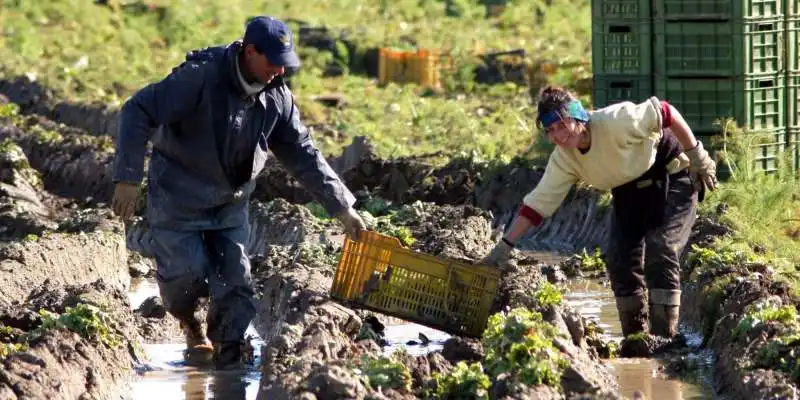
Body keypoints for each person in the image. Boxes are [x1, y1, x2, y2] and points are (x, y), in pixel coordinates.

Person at [110, 16, 366, 369]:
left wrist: (342, 207)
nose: (279, 70)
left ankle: (228, 357)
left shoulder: (277, 96)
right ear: (250, 52)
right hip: (178, 197)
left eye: (284, 64)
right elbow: (138, 109)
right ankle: (191, 325)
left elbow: (303, 152)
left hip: (230, 203)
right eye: (272, 62)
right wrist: (127, 177)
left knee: (236, 283)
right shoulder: (200, 77)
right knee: (186, 278)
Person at [480, 86, 718, 341]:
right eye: (550, 131)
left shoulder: (616, 121)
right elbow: (537, 205)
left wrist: (697, 155)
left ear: (579, 117)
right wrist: (504, 247)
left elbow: (666, 112)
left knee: (661, 248)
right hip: (628, 191)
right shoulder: (565, 159)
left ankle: (664, 338)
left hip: (673, 178)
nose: (558, 136)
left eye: (562, 125)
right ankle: (636, 338)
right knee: (619, 259)